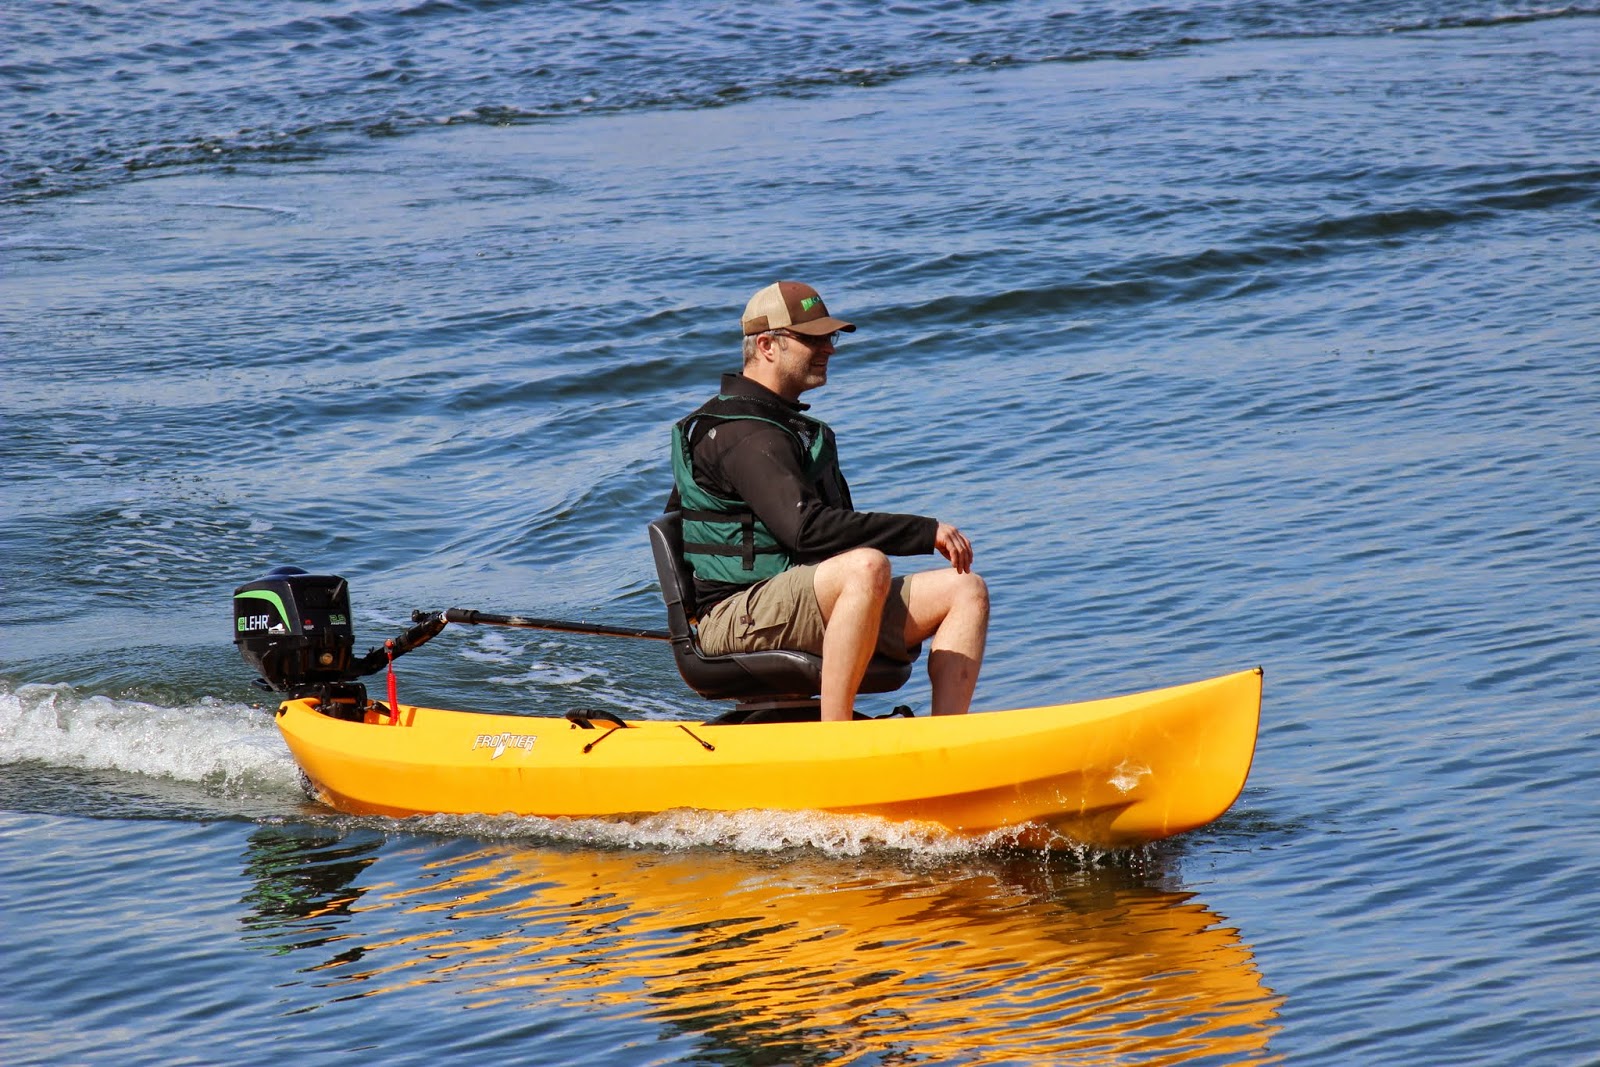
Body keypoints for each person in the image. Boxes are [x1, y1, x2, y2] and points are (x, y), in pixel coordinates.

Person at [667, 280, 988, 721]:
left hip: (803, 601)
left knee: (964, 589)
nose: (828, 349)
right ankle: (836, 740)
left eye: (829, 337)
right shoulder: (742, 434)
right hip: (736, 616)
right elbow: (806, 530)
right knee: (867, 564)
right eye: (813, 338)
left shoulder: (786, 428)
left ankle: (950, 740)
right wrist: (923, 531)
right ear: (767, 345)